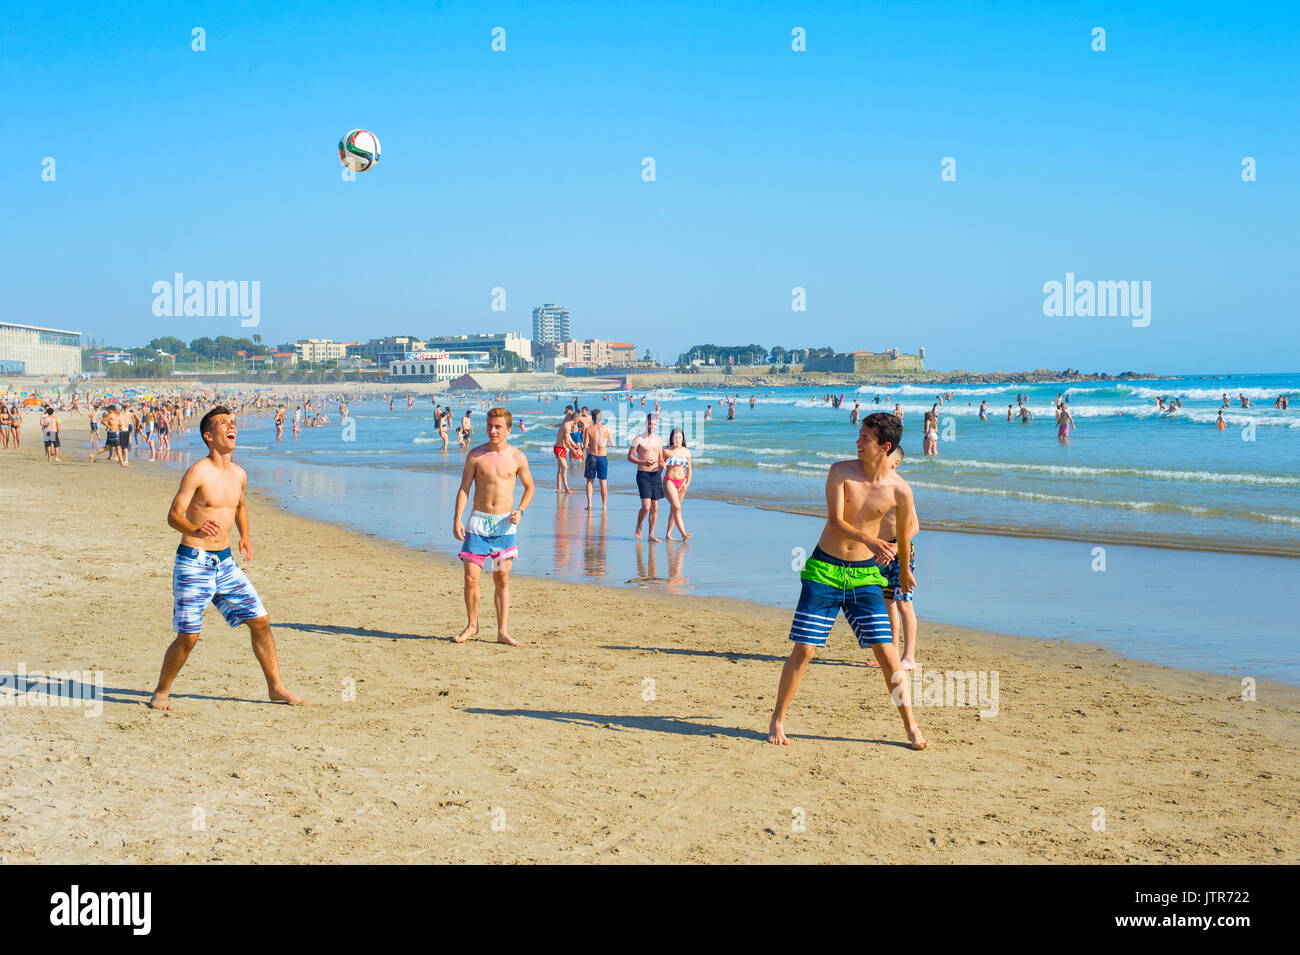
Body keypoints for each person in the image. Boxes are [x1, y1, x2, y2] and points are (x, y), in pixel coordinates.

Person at [766, 412, 927, 749]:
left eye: (865, 439)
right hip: (824, 570)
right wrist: (871, 542)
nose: (858, 442)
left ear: (885, 447)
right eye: (859, 436)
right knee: (805, 651)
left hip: (864, 576)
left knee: (887, 654)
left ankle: (911, 726)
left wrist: (906, 570)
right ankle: (778, 718)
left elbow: (905, 533)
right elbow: (835, 521)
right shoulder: (840, 472)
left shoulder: (900, 490)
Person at [149, 406, 305, 710]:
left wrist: (245, 535)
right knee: (189, 636)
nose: (231, 427)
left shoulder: (239, 474)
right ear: (209, 436)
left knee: (260, 621)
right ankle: (163, 690)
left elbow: (240, 507)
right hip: (194, 561)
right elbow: (172, 516)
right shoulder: (198, 472)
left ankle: (275, 687)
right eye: (223, 423)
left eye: (233, 423)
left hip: (226, 562)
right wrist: (195, 527)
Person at [452, 407, 535, 646]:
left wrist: (520, 510)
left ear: (509, 429)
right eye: (489, 426)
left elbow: (530, 488)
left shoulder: (517, 457)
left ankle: (502, 631)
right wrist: (457, 519)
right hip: (478, 526)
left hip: (503, 528)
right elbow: (464, 488)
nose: (493, 430)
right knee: (470, 578)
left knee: (501, 578)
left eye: (498, 426)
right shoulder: (476, 456)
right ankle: (472, 625)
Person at [874, 446, 919, 669]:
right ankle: (891, 653)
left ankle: (908, 656)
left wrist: (894, 547)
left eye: (885, 457)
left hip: (900, 552)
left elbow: (915, 526)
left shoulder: (901, 489)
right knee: (887, 603)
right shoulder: (874, 486)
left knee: (904, 603)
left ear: (895, 462)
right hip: (879, 551)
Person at [628, 413, 664, 542]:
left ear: (657, 425)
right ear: (645, 423)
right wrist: (643, 462)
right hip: (643, 474)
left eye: (654, 424)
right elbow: (630, 457)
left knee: (655, 507)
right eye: (649, 423)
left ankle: (651, 535)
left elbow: (660, 458)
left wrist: (662, 464)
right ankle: (639, 525)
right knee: (646, 506)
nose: (651, 426)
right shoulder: (638, 439)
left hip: (656, 474)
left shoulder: (659, 439)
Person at [660, 427, 692, 541]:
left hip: (682, 482)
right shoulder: (666, 451)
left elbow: (689, 470)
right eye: (675, 437)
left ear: (683, 438)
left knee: (674, 509)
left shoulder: (686, 451)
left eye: (680, 437)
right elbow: (660, 467)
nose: (678, 439)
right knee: (677, 507)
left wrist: (687, 484)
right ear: (671, 438)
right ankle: (683, 533)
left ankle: (668, 535)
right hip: (669, 481)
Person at [583, 408, 612, 511]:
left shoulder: (588, 429)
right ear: (601, 417)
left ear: (593, 418)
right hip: (602, 457)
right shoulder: (607, 429)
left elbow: (586, 445)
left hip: (592, 456)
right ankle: (604, 505)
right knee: (603, 482)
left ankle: (589, 503)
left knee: (589, 481)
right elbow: (612, 444)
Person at [552, 409, 580, 493]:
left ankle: (559, 487)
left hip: (562, 448)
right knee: (565, 467)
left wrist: (575, 446)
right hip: (559, 448)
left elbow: (569, 438)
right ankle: (567, 489)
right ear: (576, 419)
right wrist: (572, 450)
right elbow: (566, 441)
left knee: (560, 469)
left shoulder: (568, 425)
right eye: (579, 420)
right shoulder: (567, 426)